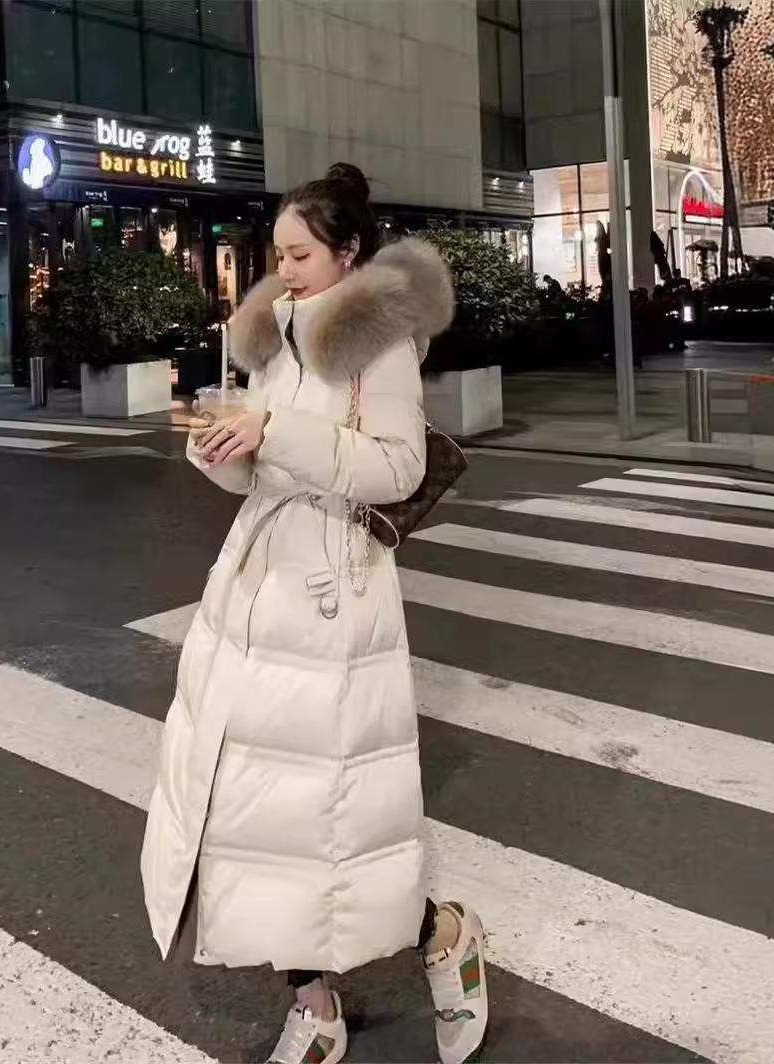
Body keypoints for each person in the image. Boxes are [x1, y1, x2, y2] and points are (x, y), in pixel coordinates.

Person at [140, 163, 489, 1064]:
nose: (284, 271)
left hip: (335, 596)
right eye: (278, 254)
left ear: (348, 252)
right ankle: (315, 1009)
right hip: (256, 589)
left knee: (329, 826)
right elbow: (256, 472)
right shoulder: (274, 337)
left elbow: (399, 468)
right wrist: (223, 449)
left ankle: (443, 935)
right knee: (245, 816)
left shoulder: (380, 345)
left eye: (300, 255)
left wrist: (279, 432)